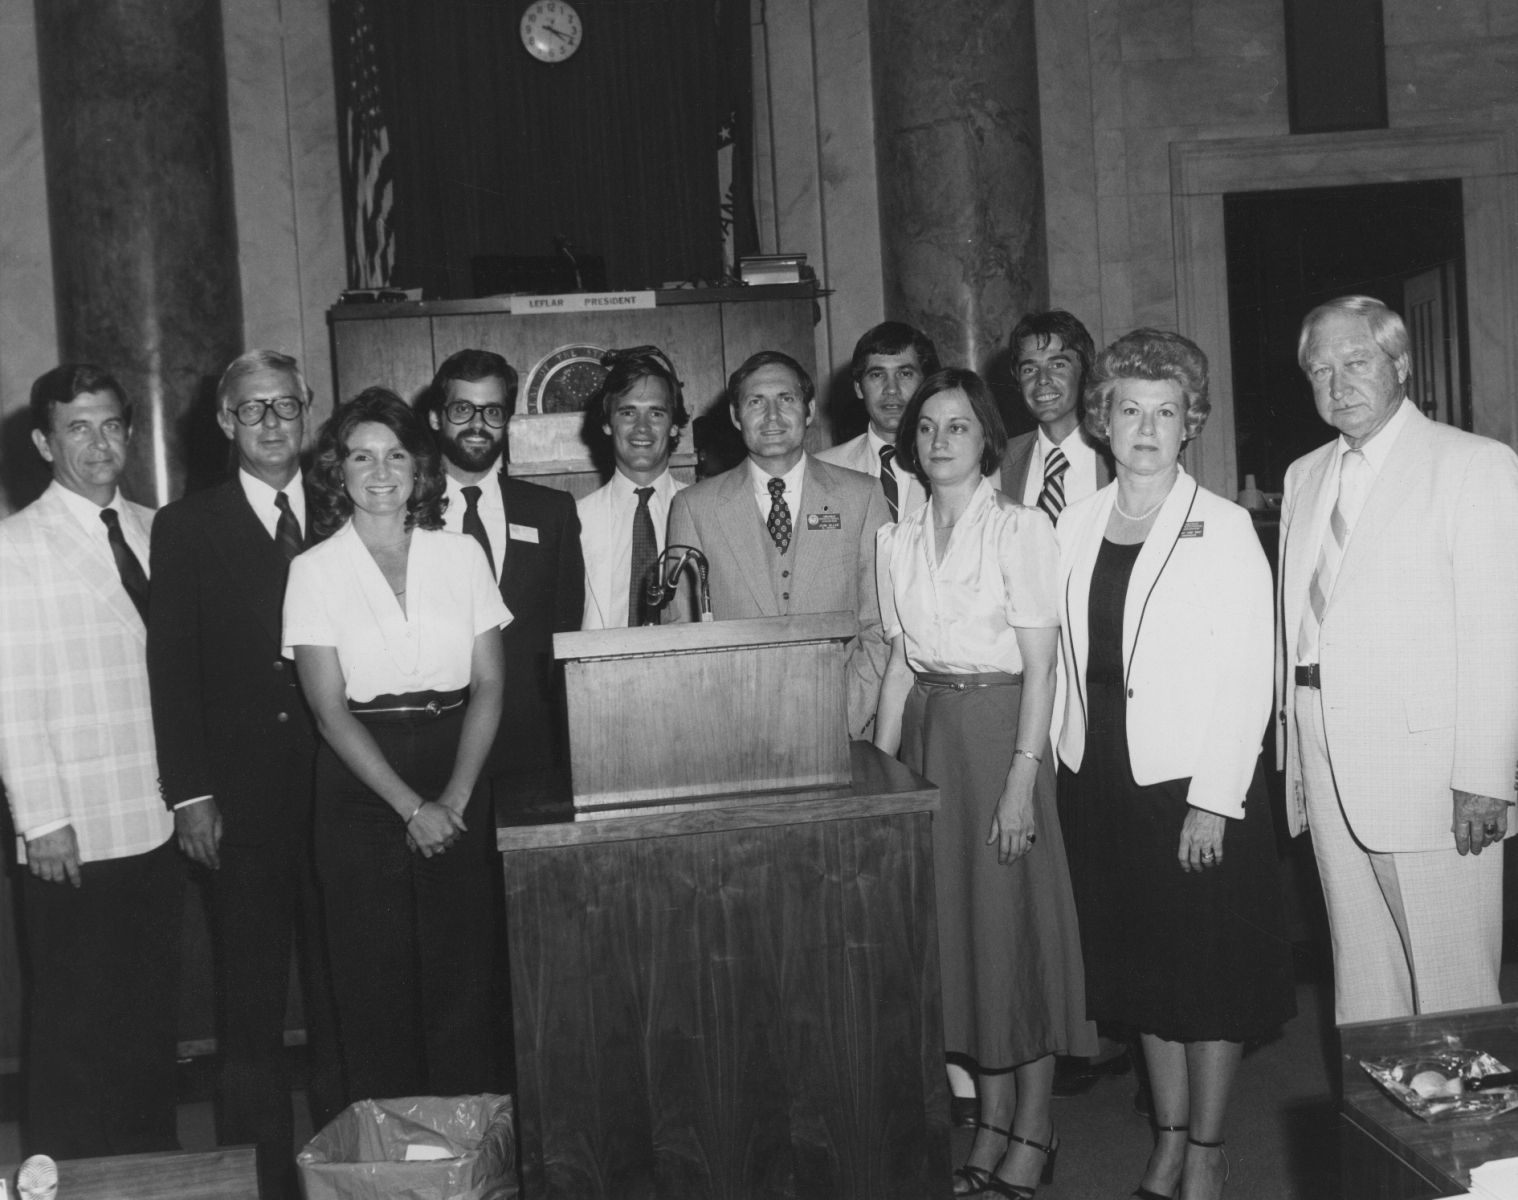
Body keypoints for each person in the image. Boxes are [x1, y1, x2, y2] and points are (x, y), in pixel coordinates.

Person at [1056, 330, 1293, 1200]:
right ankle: (1165, 1137)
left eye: (1166, 411)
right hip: (1101, 778)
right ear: (1103, 422)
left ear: (1190, 422)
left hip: (1193, 783)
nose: (1147, 427)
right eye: (1129, 409)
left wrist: (1215, 800)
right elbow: (1065, 667)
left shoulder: (1223, 525)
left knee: (1209, 974)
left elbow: (1247, 669)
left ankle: (1209, 1147)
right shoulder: (1076, 524)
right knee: (1138, 971)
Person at [874, 368, 1095, 1200]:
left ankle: (1035, 1131)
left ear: (986, 438)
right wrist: (882, 777)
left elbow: (1042, 669)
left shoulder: (1019, 530)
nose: (939, 440)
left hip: (1002, 735)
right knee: (961, 944)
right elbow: (899, 665)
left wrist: (1019, 783)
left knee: (1013, 939)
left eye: (957, 426)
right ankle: (993, 1125)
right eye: (926, 426)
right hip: (931, 740)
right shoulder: (894, 539)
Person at [1278, 295, 1518, 1024]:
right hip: (1322, 750)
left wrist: (1483, 779)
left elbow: (1497, 633)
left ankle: (1481, 1143)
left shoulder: (1472, 464)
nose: (1337, 383)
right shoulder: (1304, 475)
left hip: (1429, 773)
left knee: (1453, 997)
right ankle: (1381, 1142)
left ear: (1402, 364)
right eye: (1320, 370)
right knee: (1364, 992)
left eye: (1356, 362)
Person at [146, 350, 345, 1199]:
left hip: (344, 793)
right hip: (243, 806)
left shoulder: (349, 509)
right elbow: (172, 671)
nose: (272, 422)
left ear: (309, 415)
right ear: (225, 423)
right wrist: (191, 793)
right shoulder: (187, 526)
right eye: (252, 409)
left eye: (286, 406)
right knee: (251, 1014)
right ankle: (262, 1185)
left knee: (344, 1003)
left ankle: (354, 1171)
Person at [284, 388, 509, 1103]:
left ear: (419, 468)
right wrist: (414, 809)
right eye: (360, 456)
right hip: (360, 787)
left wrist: (456, 799)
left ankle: (469, 1167)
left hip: (457, 768)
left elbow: (491, 685)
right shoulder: (313, 570)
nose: (379, 471)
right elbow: (327, 710)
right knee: (373, 990)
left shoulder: (462, 554)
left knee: (463, 982)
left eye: (395, 455)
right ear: (336, 469)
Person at [0, 365, 182, 1157]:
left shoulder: (159, 526)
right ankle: (65, 1180)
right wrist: (41, 819)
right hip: (71, 823)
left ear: (131, 433)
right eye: (77, 427)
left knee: (148, 1016)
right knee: (74, 1025)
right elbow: (9, 695)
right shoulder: (15, 546)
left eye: (110, 425)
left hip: (159, 810)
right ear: (44, 442)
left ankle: (147, 1169)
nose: (98, 443)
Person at [666, 350, 890, 738]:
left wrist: (844, 719)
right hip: (734, 733)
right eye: (756, 402)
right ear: (736, 416)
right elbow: (682, 636)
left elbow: (880, 624)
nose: (771, 416)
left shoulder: (862, 496)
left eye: (785, 399)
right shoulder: (693, 507)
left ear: (809, 410)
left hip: (846, 729)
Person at [425, 348, 583, 809]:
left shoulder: (551, 512)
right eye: (462, 409)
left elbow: (565, 635)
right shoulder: (404, 512)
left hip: (530, 749)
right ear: (437, 418)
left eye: (492, 411)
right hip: (434, 749)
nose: (478, 423)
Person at [578, 346, 690, 629]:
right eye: (628, 413)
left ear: (674, 426)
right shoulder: (574, 519)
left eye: (656, 413)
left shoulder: (706, 512)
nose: (642, 427)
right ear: (607, 423)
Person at [816, 320, 940, 520]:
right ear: (858, 388)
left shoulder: (952, 463)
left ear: (925, 383)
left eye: (905, 373)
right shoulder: (823, 469)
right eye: (877, 374)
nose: (891, 388)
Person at [1000, 311, 1112, 521]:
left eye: (1057, 365)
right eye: (1029, 369)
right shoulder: (1000, 464)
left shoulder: (1116, 456)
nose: (1042, 379)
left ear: (1085, 372)